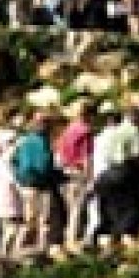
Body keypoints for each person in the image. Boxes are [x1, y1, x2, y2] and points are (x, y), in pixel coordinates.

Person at [95, 107, 139, 238]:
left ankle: (109, 246)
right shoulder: (133, 131)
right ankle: (129, 249)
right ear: (136, 117)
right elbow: (138, 155)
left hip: (106, 175)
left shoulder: (111, 132)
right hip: (124, 173)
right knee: (130, 214)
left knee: (111, 216)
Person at [12, 114, 59, 252]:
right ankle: (42, 248)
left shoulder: (23, 141)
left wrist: (19, 176)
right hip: (42, 185)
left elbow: (14, 160)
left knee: (29, 220)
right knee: (44, 220)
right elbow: (46, 164)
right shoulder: (43, 142)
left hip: (25, 185)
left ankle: (17, 248)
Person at [54, 101, 94, 246]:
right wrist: (90, 179)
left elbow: (58, 155)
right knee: (77, 210)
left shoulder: (66, 131)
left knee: (69, 210)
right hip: (78, 173)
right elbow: (87, 157)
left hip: (64, 173)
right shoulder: (85, 131)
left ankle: (68, 240)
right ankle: (73, 242)